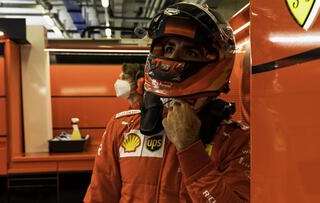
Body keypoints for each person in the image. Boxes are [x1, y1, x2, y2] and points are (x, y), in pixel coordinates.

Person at [84, 2, 250, 203]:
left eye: (190, 52)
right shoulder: (122, 128)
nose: (172, 59)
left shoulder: (235, 140)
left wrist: (190, 148)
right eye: (169, 48)